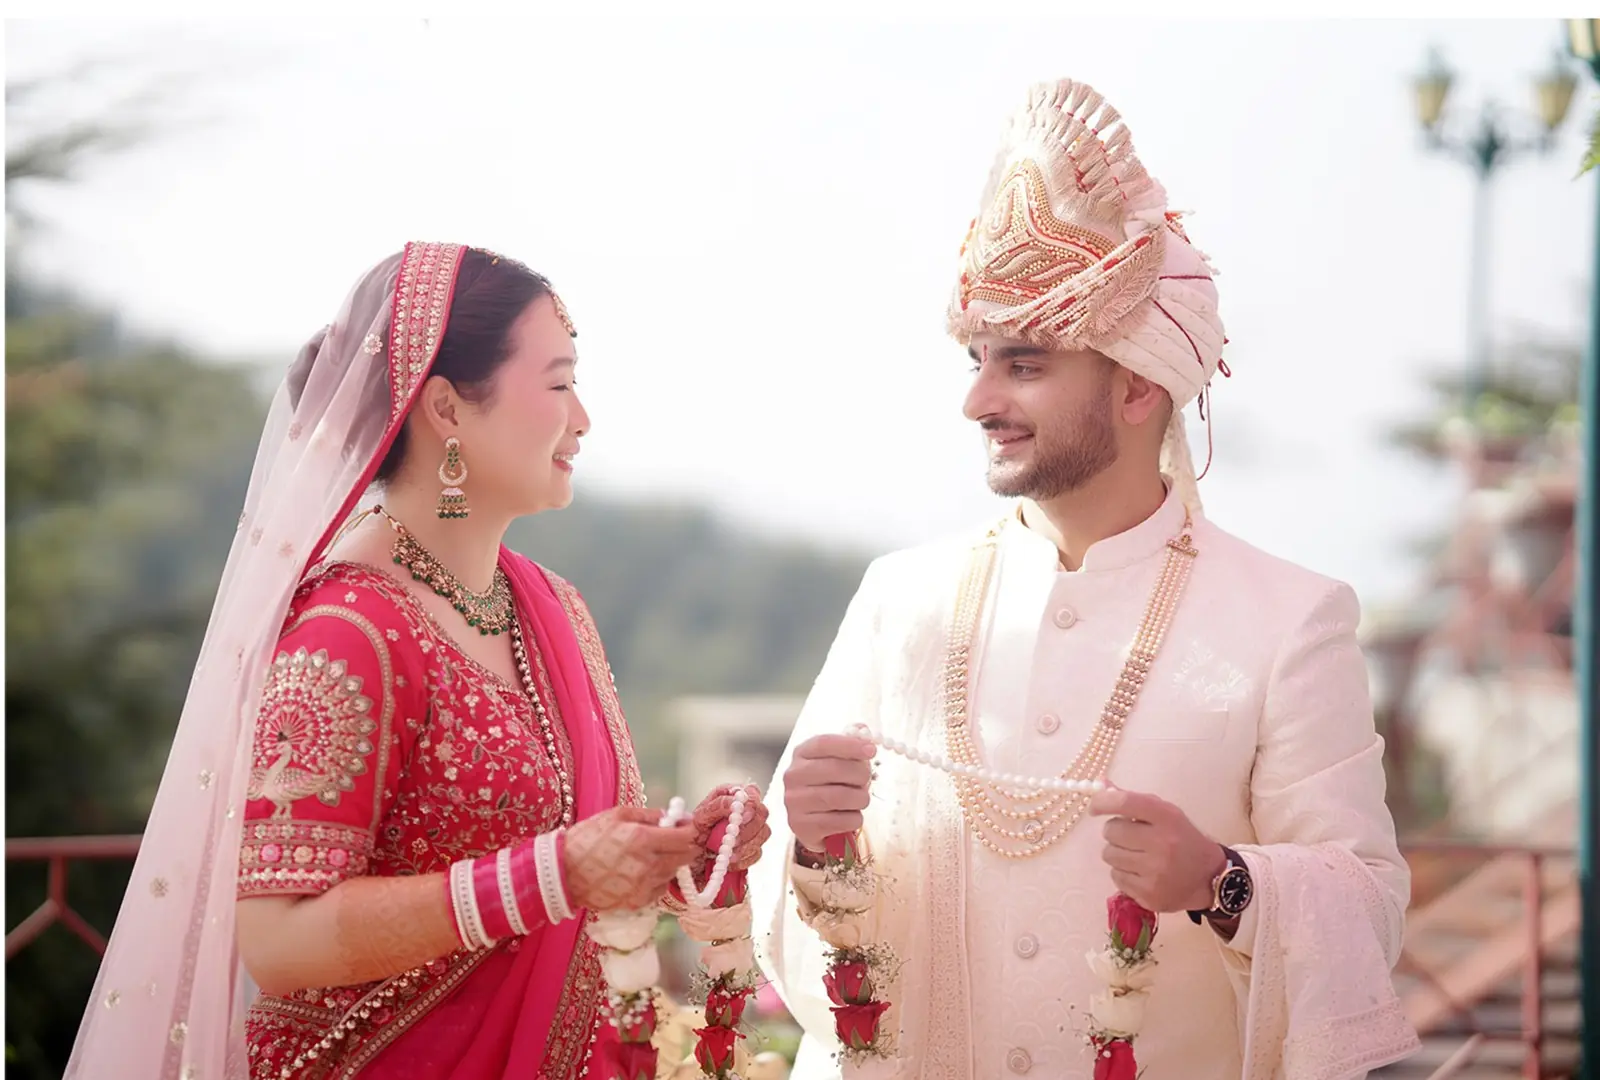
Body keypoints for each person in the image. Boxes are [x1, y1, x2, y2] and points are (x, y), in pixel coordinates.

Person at [752, 80, 1421, 1079]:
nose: (978, 400)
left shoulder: (1288, 619)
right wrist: (811, 847)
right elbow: (796, 916)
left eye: (1023, 365)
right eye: (977, 362)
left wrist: (1221, 879)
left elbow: (1367, 903)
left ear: (1139, 385)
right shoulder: (902, 599)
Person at [66, 242, 769, 1080]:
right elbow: (280, 936)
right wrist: (552, 874)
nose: (583, 418)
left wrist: (682, 854)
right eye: (558, 384)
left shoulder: (554, 609)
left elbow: (574, 882)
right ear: (445, 407)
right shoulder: (347, 633)